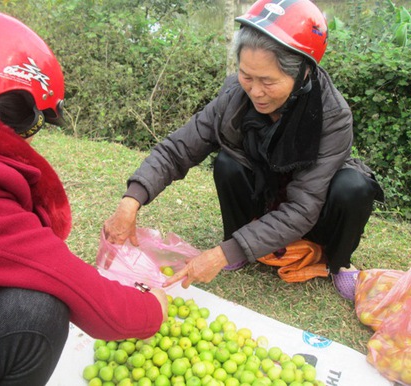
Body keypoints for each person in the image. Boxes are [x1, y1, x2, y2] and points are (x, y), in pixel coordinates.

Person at [0, 10, 168, 386]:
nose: (32, 139)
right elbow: (67, 282)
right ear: (9, 106)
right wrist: (153, 309)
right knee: (36, 312)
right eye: (34, 123)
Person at [103, 0, 384, 301]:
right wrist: (131, 201)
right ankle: (241, 245)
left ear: (302, 74)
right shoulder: (235, 98)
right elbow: (178, 149)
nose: (255, 92)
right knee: (227, 162)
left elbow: (303, 208)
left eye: (267, 81)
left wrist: (220, 255)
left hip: (313, 208)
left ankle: (338, 263)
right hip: (265, 200)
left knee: (354, 187)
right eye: (247, 75)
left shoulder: (332, 116)